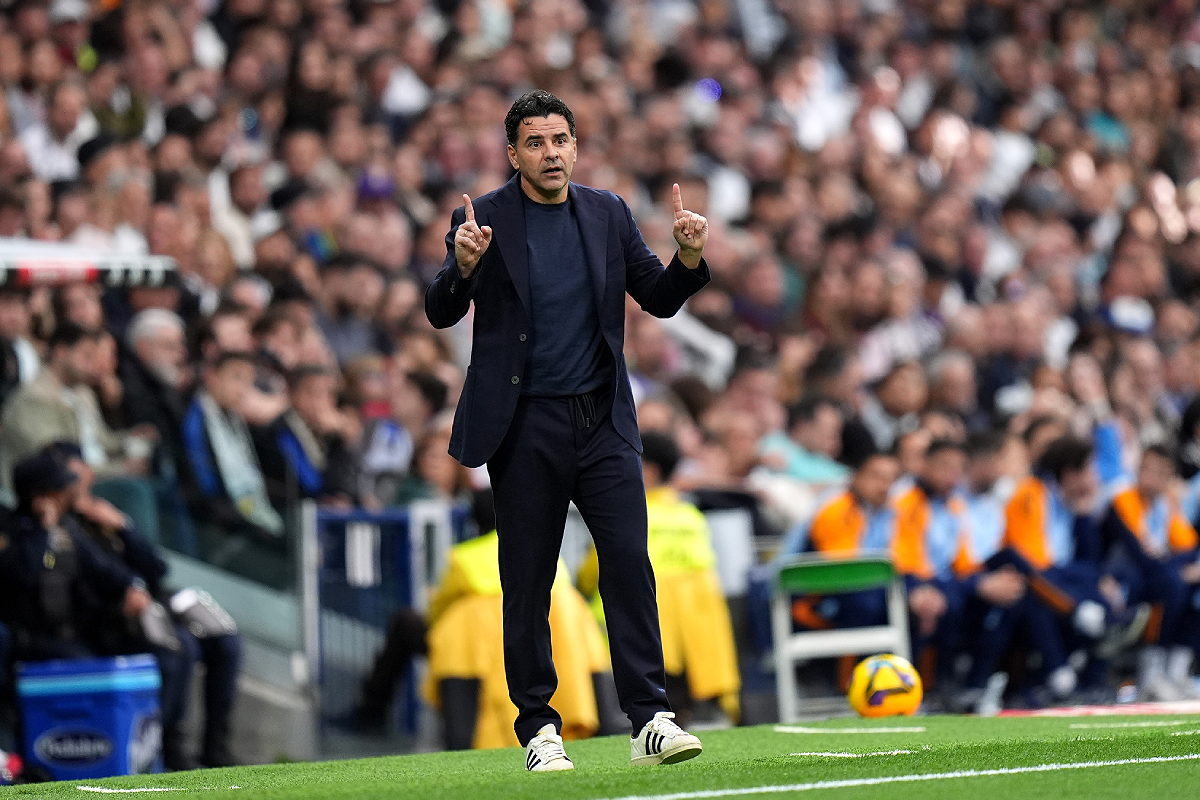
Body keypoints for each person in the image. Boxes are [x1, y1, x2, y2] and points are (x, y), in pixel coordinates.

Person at [425, 90, 709, 771]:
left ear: (575, 146)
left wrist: (689, 257)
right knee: (528, 580)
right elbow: (440, 310)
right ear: (514, 152)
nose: (550, 153)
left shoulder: (606, 211)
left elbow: (659, 298)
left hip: (600, 416)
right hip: (525, 425)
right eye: (535, 142)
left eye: (560, 140)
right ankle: (539, 729)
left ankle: (650, 718)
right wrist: (461, 266)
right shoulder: (483, 218)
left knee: (628, 564)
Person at [576, 431, 740, 727]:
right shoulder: (691, 516)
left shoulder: (628, 514)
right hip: (696, 637)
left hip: (636, 633)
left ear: (648, 470)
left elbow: (590, 574)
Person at [1101, 445, 1200, 699]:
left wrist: (1181, 566)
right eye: (1146, 469)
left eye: (1159, 472)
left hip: (1156, 573)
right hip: (1124, 575)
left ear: (1169, 478)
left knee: (1192, 586)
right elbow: (1140, 553)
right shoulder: (1124, 499)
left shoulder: (1166, 503)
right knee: (1172, 584)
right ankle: (1150, 671)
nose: (1150, 477)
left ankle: (1176, 669)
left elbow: (1188, 545)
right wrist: (1176, 565)